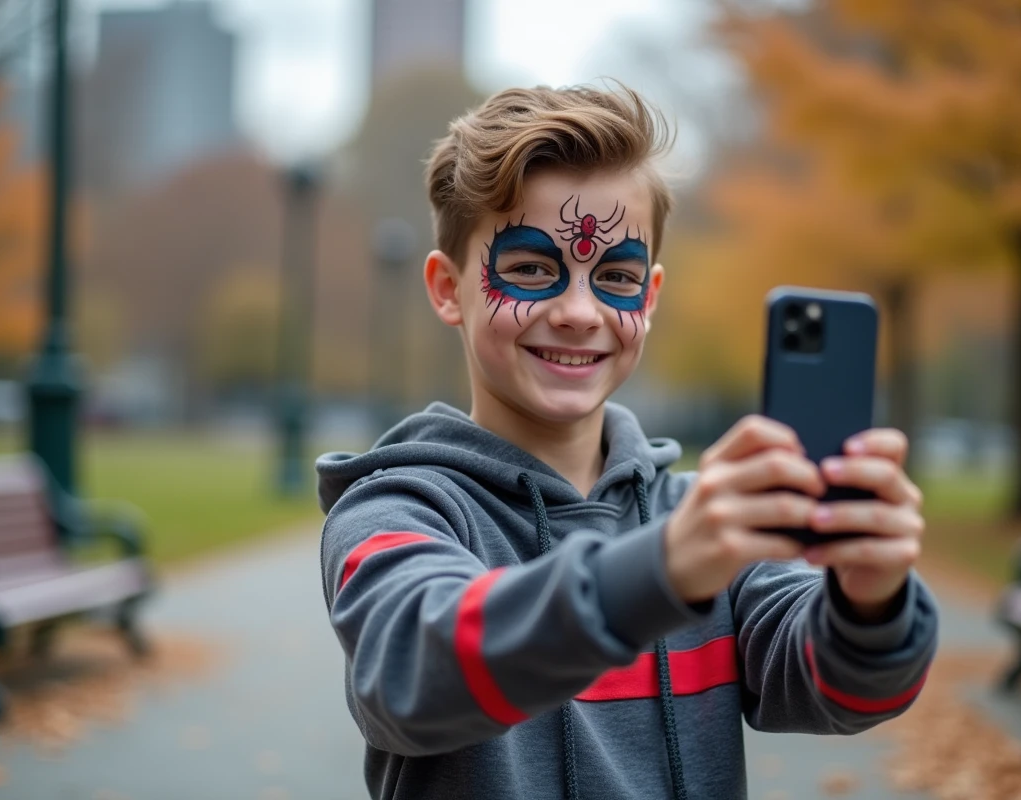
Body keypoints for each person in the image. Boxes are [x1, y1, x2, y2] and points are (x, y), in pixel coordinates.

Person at [317, 84, 938, 800]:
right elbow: (412, 676)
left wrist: (871, 598)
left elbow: (845, 694)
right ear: (447, 287)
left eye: (616, 277)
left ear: (650, 296)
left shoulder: (699, 523)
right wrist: (663, 571)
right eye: (529, 268)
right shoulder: (393, 510)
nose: (580, 312)